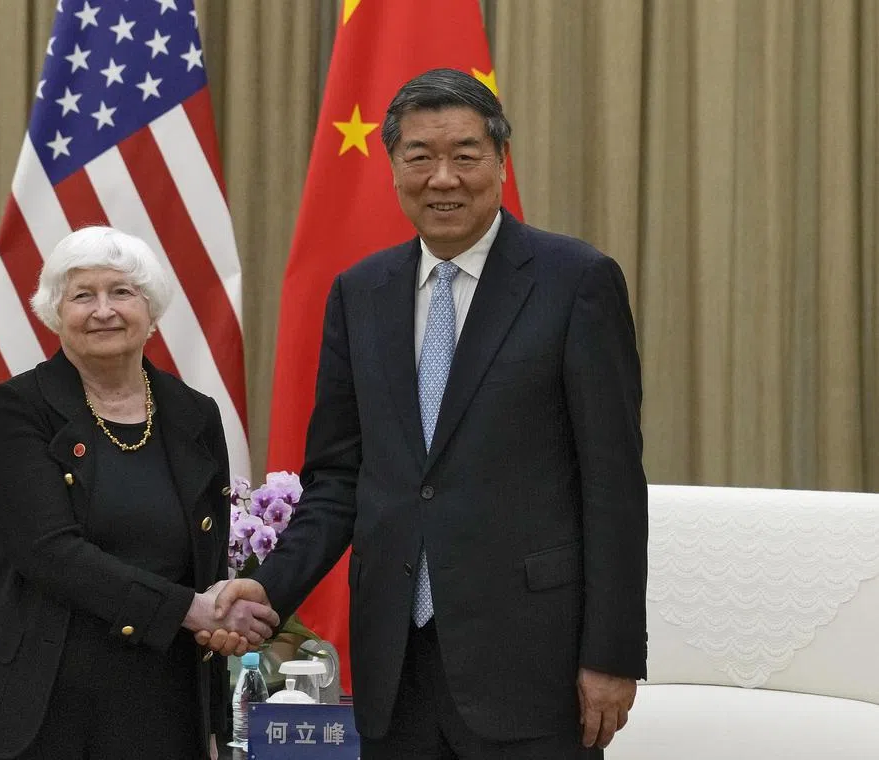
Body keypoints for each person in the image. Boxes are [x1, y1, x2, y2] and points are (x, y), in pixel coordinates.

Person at [201, 68, 648, 759]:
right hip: (394, 663)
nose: (444, 177)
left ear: (501, 163)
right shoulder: (360, 292)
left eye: (465, 155)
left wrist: (612, 655)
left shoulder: (575, 282)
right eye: (420, 157)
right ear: (393, 169)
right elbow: (338, 479)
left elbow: (613, 485)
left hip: (533, 663)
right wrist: (267, 588)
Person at [0, 226, 279, 760]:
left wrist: (217, 636)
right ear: (55, 312)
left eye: (121, 292)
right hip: (30, 696)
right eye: (82, 295)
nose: (103, 310)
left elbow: (205, 560)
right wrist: (191, 611)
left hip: (160, 697)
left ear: (150, 309)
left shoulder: (194, 413)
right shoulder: (20, 408)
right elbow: (46, 550)